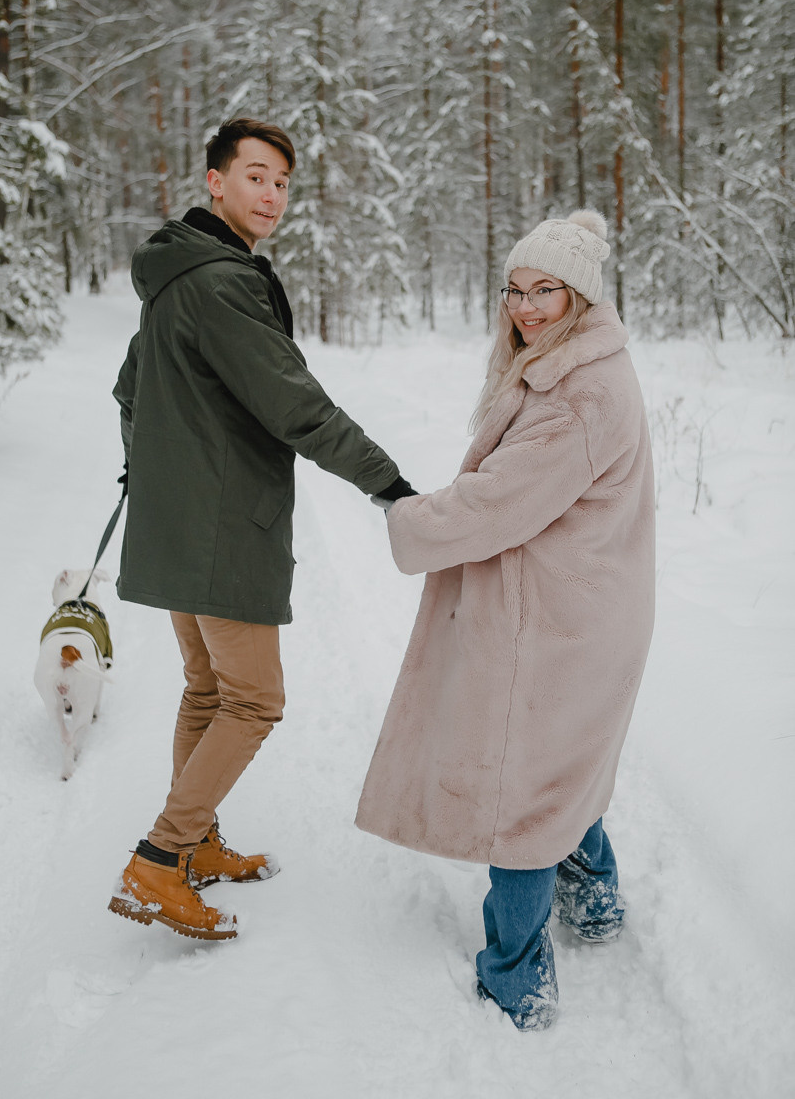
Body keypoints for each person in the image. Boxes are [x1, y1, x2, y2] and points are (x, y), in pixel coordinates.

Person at [108, 116, 415, 941]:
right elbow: (295, 406)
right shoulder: (219, 282)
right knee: (254, 701)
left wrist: (158, 477)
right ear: (215, 181)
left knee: (207, 690)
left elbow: (130, 392)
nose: (271, 194)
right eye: (254, 176)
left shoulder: (176, 273)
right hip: (217, 529)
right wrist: (388, 483)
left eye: (281, 181)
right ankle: (158, 861)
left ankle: (195, 842)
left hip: (177, 522)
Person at [356, 210, 655, 1029]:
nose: (525, 308)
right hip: (580, 611)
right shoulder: (570, 366)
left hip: (553, 623)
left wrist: (408, 515)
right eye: (515, 290)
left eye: (544, 292)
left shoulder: (581, 391)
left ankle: (516, 978)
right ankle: (593, 900)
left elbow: (497, 503)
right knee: (565, 767)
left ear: (580, 297)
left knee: (519, 797)